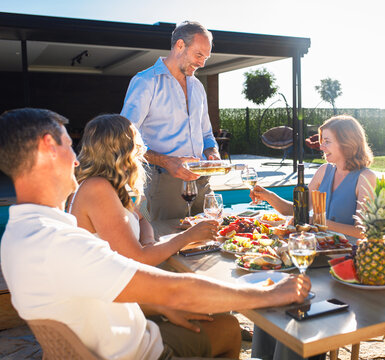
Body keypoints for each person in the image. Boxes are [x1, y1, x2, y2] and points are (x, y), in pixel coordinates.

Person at [0, 108, 311, 360]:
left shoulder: (22, 235)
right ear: (47, 147)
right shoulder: (60, 244)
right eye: (69, 146)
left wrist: (158, 306)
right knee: (228, 328)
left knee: (221, 324)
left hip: (114, 335)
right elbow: (177, 290)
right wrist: (270, 294)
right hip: (138, 350)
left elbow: (90, 293)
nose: (77, 159)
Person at [66, 114, 242, 357]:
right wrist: (188, 236)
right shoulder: (98, 190)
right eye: (138, 143)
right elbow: (138, 259)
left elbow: (142, 217)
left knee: (207, 307)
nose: (142, 150)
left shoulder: (110, 187)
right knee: (228, 327)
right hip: (114, 326)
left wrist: (149, 243)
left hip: (121, 301)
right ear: (124, 148)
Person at [121, 21, 219, 221]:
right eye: (199, 55)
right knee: (168, 243)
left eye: (206, 57)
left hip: (202, 181)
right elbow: (124, 139)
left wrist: (212, 152)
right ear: (180, 45)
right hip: (164, 181)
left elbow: (207, 134)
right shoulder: (146, 82)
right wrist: (167, 161)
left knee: (213, 235)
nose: (202, 63)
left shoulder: (198, 87)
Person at [250, 115, 377, 238]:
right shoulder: (324, 171)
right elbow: (298, 211)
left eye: (327, 142)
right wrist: (269, 196)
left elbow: (362, 232)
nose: (321, 147)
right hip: (321, 246)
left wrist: (317, 222)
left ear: (347, 143)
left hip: (348, 252)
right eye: (322, 142)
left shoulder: (365, 177)